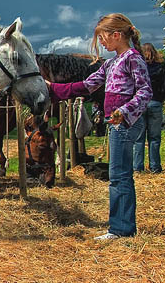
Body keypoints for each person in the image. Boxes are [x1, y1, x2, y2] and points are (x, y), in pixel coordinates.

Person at [45, 14, 151, 240]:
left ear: (116, 35)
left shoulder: (133, 59)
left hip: (125, 123)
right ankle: (121, 227)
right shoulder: (112, 63)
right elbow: (86, 86)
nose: (101, 43)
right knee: (119, 175)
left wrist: (124, 111)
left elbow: (145, 92)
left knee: (119, 176)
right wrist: (52, 88)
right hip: (116, 123)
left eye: (102, 38)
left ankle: (121, 229)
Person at [132, 43, 164, 173]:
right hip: (155, 102)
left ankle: (137, 168)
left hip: (140, 102)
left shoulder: (138, 68)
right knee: (154, 138)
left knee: (139, 138)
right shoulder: (161, 68)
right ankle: (155, 167)